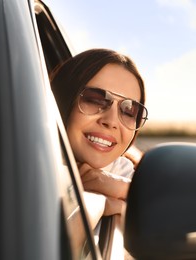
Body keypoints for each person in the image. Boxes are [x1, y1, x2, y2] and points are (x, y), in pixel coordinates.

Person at [50, 48, 148, 230]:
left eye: (129, 111)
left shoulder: (120, 169)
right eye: (95, 100)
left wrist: (120, 189)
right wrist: (104, 204)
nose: (111, 121)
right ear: (62, 101)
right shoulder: (29, 172)